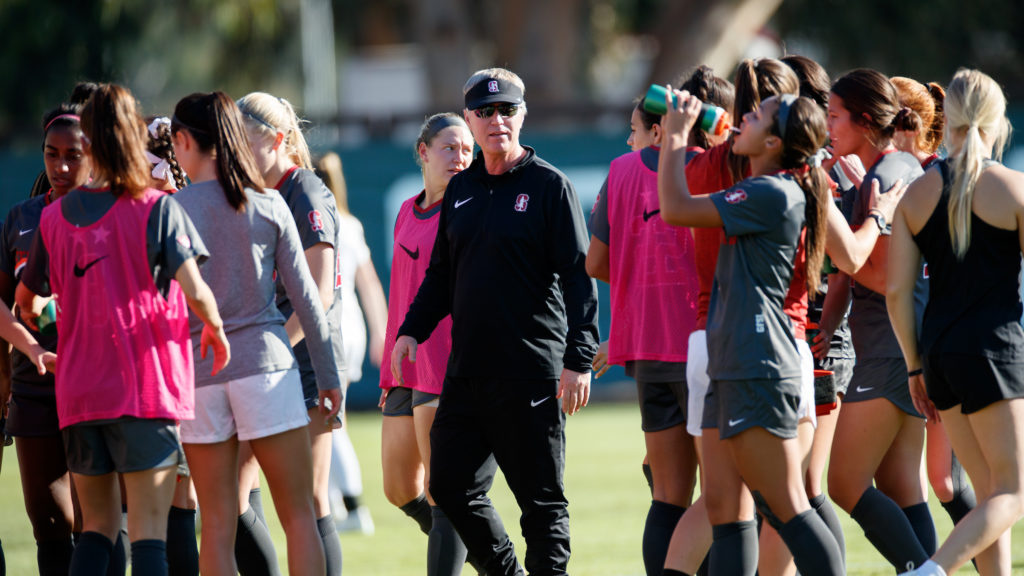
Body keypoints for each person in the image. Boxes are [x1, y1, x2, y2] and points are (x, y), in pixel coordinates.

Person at [16, 83, 230, 576]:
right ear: (133, 137)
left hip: (78, 395)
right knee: (149, 540)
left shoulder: (53, 217)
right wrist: (215, 328)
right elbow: (196, 291)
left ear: (86, 142)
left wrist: (52, 318)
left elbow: (26, 302)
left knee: (95, 532)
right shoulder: (157, 208)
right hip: (144, 390)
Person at [392, 67, 599, 576]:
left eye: (506, 110)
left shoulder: (550, 187)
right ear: (469, 119)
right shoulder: (460, 190)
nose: (496, 120)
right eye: (484, 112)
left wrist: (578, 360)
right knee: (450, 486)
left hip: (531, 371)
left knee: (541, 503)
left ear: (522, 115)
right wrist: (410, 329)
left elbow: (579, 278)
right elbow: (441, 274)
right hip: (467, 373)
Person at [658, 89, 843, 575]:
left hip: (759, 363)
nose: (744, 118)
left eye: (757, 116)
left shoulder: (772, 191)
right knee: (724, 510)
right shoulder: (767, 185)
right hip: (732, 360)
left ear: (774, 143)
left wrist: (676, 135)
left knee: (788, 507)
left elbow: (675, 207)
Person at [170, 91, 342, 576]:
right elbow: (309, 299)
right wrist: (330, 377)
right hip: (267, 367)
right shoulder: (267, 202)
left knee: (219, 525)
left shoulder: (168, 211)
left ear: (184, 142)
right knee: (300, 517)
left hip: (201, 374)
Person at [586, 65, 732, 576]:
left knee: (668, 494)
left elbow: (595, 263)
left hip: (645, 347)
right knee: (727, 495)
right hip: (706, 343)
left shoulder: (621, 169)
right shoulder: (715, 166)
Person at [889, 68, 1023, 576]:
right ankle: (931, 570)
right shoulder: (1013, 188)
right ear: (995, 121)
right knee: (1012, 491)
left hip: (940, 355)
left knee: (989, 495)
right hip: (996, 352)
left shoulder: (916, 194)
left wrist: (913, 367)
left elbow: (899, 291)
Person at [823, 69, 936, 573]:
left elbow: (886, 273)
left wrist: (843, 239)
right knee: (901, 486)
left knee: (844, 485)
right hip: (903, 345)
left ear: (865, 122)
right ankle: (929, 567)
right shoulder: (904, 166)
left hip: (891, 351)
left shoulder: (886, 176)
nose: (827, 125)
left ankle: (924, 570)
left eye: (833, 116)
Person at [236, 92, 347, 576]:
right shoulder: (251, 193)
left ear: (277, 140)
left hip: (304, 362)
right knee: (234, 493)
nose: (233, 151)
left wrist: (270, 348)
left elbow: (318, 295)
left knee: (309, 499)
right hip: (265, 361)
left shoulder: (304, 190)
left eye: (242, 140)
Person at [379, 112, 477, 575]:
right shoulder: (405, 210)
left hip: (445, 363)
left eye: (466, 150)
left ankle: (473, 555)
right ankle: (485, 554)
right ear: (423, 151)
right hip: (404, 365)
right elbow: (402, 296)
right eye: (449, 148)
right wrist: (388, 367)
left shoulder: (469, 210)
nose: (460, 157)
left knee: (445, 491)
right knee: (399, 488)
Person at [0, 102, 90, 576]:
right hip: (34, 390)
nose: (61, 166)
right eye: (51, 154)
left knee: (97, 527)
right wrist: (31, 347)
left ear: (93, 155)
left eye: (73, 155)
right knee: (48, 523)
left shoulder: (114, 213)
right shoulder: (21, 218)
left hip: (96, 388)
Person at [889, 76, 980, 537]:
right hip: (920, 352)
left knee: (947, 482)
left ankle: (986, 553)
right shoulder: (903, 176)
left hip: (954, 347)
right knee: (917, 481)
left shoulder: (939, 178)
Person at [316, 151, 386, 535]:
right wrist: (381, 332)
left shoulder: (317, 219)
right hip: (352, 329)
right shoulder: (351, 223)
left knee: (328, 421)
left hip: (333, 331)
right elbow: (370, 284)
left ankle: (355, 507)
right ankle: (333, 505)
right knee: (322, 419)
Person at [144, 114, 200, 576]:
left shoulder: (164, 212)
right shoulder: (184, 206)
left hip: (172, 372)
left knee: (170, 503)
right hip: (178, 371)